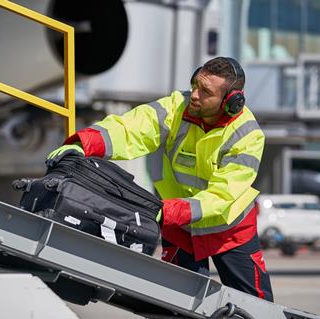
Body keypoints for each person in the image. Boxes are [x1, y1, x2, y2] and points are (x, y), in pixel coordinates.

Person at [46, 57, 273, 302]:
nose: (194, 95)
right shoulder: (178, 106)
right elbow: (133, 127)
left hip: (229, 230)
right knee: (177, 305)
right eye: (195, 84)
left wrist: (168, 212)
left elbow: (223, 195)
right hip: (178, 227)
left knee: (256, 307)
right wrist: (84, 143)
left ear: (230, 102)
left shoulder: (247, 135)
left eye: (205, 92)